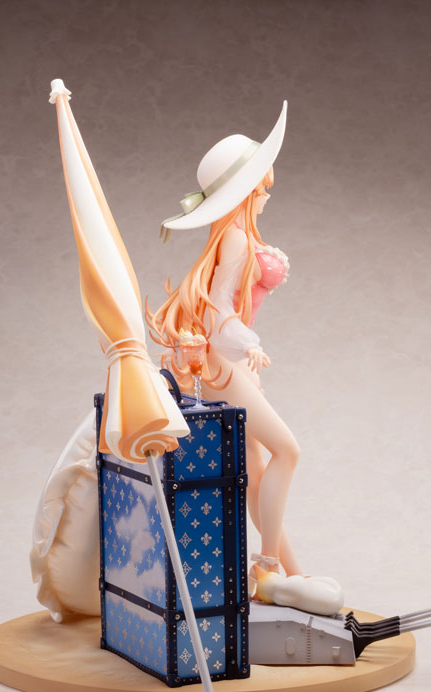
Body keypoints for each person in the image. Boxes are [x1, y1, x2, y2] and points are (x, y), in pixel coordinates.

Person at [146, 102, 342, 607]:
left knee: (256, 471)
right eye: (263, 186)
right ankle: (269, 569)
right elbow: (217, 319)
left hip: (231, 365)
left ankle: (290, 574)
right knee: (287, 451)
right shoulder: (234, 240)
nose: (268, 193)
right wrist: (250, 346)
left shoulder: (237, 237)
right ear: (247, 190)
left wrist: (246, 352)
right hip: (224, 363)